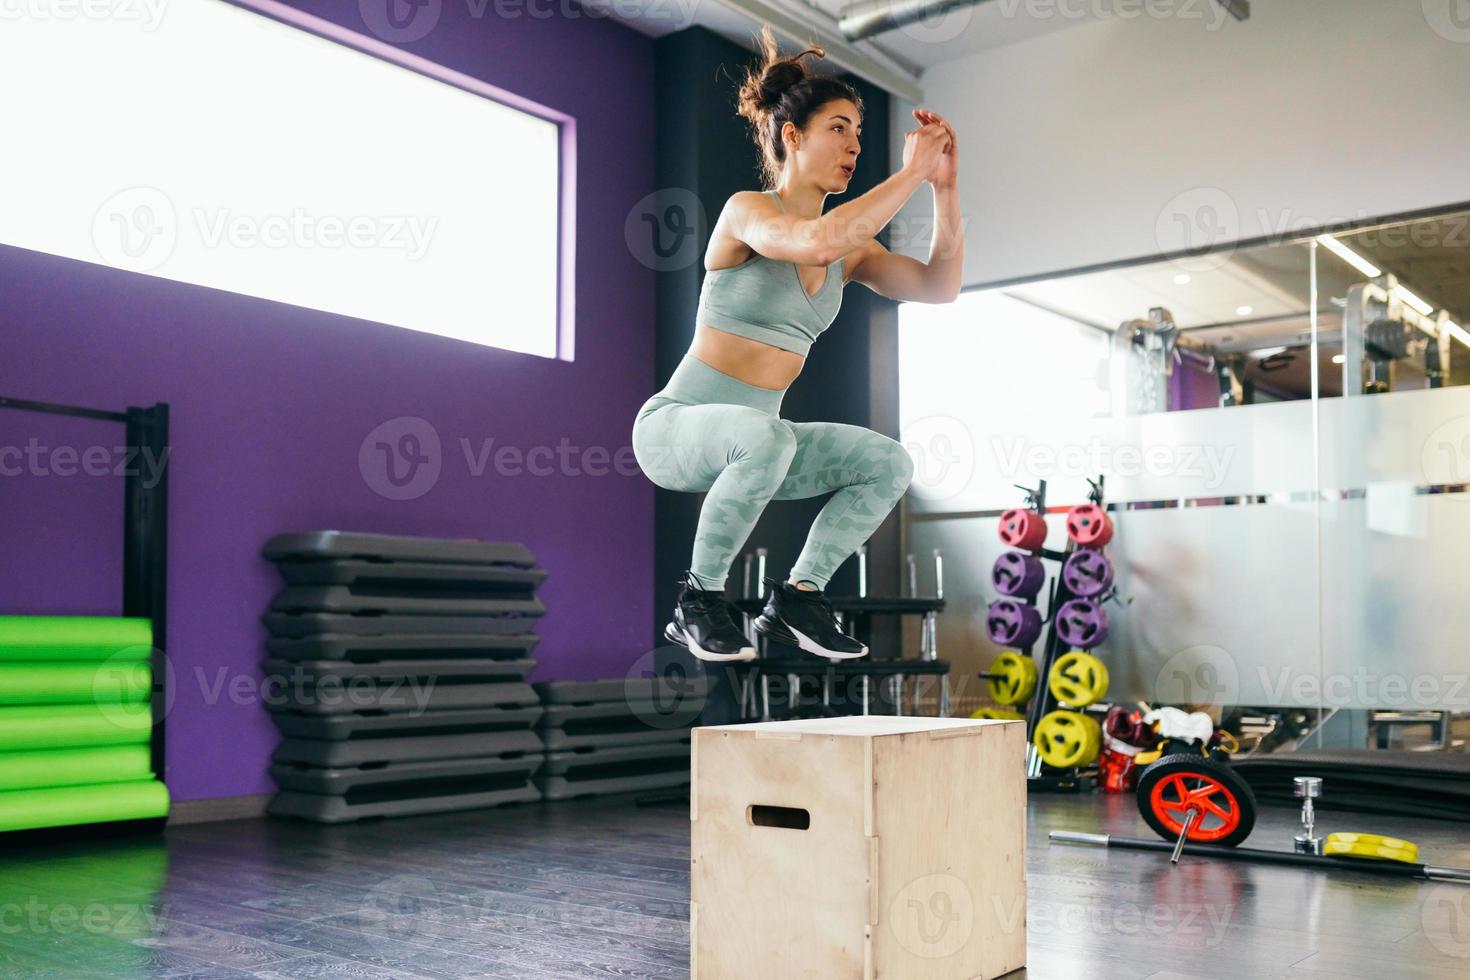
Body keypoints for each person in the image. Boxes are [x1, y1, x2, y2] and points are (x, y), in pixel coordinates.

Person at [631, 24, 962, 662]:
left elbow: (939, 286)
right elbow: (816, 241)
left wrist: (942, 189)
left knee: (888, 463)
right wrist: (912, 170)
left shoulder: (853, 250)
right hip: (675, 429)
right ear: (792, 136)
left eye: (859, 134)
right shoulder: (747, 212)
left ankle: (799, 598)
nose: (854, 145)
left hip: (764, 446)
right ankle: (697, 600)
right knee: (767, 436)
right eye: (839, 127)